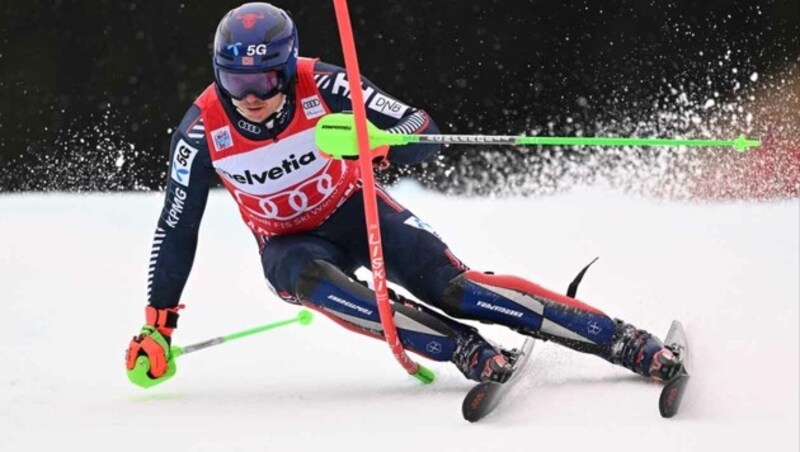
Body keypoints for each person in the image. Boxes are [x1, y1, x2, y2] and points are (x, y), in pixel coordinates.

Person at [126, 2, 681, 386]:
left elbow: (421, 126)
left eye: (265, 81)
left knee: (458, 290)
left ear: (285, 70)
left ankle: (620, 340)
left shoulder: (322, 81)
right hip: (289, 245)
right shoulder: (201, 132)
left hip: (355, 211)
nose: (250, 97)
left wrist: (381, 147)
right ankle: (464, 351)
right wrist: (158, 325)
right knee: (315, 283)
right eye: (236, 81)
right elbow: (176, 228)